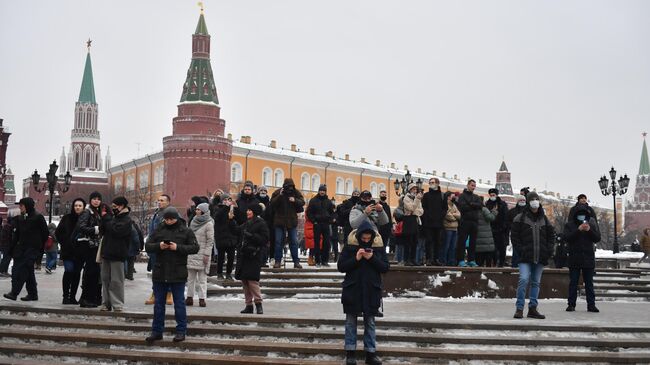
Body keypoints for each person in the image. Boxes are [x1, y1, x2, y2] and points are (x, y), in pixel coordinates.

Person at [145, 206, 199, 344]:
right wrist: (159, 246)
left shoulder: (186, 231)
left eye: (171, 219)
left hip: (178, 272)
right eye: (167, 219)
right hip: (160, 271)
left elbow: (194, 248)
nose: (169, 221)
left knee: (179, 304)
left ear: (177, 218)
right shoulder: (159, 229)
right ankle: (157, 331)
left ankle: (181, 331)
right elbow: (148, 246)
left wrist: (178, 248)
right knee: (158, 304)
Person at [338, 220, 389, 365]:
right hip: (352, 289)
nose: (366, 241)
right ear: (359, 236)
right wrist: (356, 258)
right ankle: (350, 352)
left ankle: (370, 353)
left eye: (368, 238)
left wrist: (371, 258)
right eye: (363, 238)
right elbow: (341, 266)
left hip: (371, 290)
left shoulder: (378, 248)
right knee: (350, 322)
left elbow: (385, 267)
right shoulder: (350, 247)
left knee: (370, 322)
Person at [511, 192, 555, 319]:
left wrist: (549, 250)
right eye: (532, 199)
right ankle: (519, 308)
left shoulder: (544, 219)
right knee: (523, 279)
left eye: (537, 199)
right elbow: (514, 237)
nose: (535, 201)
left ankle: (532, 308)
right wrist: (521, 250)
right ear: (528, 202)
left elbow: (551, 236)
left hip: (540, 256)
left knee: (536, 282)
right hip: (525, 256)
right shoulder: (520, 218)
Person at [3, 198, 48, 301]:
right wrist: (12, 248)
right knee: (28, 271)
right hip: (21, 249)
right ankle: (33, 294)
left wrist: (39, 247)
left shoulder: (38, 217)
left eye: (21, 206)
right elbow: (17, 235)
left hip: (33, 249)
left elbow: (45, 233)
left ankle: (14, 293)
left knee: (23, 269)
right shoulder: (21, 218)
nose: (20, 207)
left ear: (27, 206)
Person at [564, 204, 601, 313]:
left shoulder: (591, 224)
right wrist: (578, 230)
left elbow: (597, 238)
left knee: (589, 283)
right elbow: (567, 238)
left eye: (584, 215)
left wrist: (589, 230)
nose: (582, 216)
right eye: (580, 214)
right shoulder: (570, 225)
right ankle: (571, 304)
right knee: (573, 282)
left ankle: (591, 305)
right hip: (574, 258)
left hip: (588, 258)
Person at [99, 197, 133, 312]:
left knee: (116, 280)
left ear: (122, 206)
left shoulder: (127, 220)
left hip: (118, 254)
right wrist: (103, 220)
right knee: (105, 279)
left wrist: (108, 220)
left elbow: (117, 231)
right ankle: (106, 303)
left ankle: (117, 304)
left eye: (115, 206)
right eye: (112, 207)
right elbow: (103, 231)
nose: (114, 209)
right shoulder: (113, 218)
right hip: (106, 252)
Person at [236, 203, 269, 314]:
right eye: (247, 210)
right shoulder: (246, 224)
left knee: (252, 281)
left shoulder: (261, 223)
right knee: (245, 281)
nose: (247, 212)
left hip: (254, 255)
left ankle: (258, 304)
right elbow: (236, 231)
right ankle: (248, 305)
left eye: (250, 210)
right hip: (244, 255)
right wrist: (230, 219)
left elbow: (265, 239)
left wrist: (252, 236)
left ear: (254, 211)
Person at [76, 191, 104, 308]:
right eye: (94, 199)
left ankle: (92, 298)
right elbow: (80, 227)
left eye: (98, 199)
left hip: (95, 246)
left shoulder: (97, 212)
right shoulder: (87, 212)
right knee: (90, 272)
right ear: (90, 200)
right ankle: (85, 299)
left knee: (94, 273)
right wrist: (95, 229)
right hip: (89, 246)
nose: (96, 201)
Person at [55, 198, 86, 304]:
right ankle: (65, 296)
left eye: (80, 206)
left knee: (77, 274)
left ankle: (72, 296)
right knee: (68, 271)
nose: (77, 207)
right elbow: (58, 233)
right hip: (68, 251)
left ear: (83, 207)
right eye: (76, 205)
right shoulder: (66, 218)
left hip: (80, 251)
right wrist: (64, 242)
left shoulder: (86, 219)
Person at [270, 178, 305, 269]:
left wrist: (295, 200)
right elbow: (272, 203)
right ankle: (277, 261)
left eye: (291, 186)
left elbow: (302, 202)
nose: (289, 188)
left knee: (294, 241)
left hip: (292, 221)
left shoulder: (295, 192)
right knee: (278, 242)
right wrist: (280, 196)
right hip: (279, 221)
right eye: (287, 186)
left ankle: (296, 262)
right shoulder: (278, 192)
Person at [145, 194, 173, 305]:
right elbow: (152, 231)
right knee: (156, 272)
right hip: (155, 247)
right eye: (158, 200)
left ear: (168, 202)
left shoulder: (172, 213)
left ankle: (169, 294)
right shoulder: (156, 213)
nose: (159, 202)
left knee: (167, 272)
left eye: (162, 200)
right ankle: (155, 293)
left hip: (166, 247)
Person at [186, 203, 214, 307]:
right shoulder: (193, 221)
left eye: (198, 209)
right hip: (192, 253)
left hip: (203, 255)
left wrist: (207, 254)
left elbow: (210, 240)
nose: (196, 211)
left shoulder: (209, 223)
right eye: (196, 209)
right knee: (190, 279)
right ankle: (189, 298)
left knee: (202, 279)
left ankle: (202, 299)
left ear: (203, 211)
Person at [307, 184, 335, 266]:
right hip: (317, 224)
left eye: (323, 190)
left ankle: (325, 261)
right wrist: (314, 221)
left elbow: (332, 212)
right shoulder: (313, 200)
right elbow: (309, 212)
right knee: (317, 243)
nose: (322, 192)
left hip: (326, 224)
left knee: (326, 243)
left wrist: (331, 220)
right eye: (321, 190)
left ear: (325, 192)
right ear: (319, 191)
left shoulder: (328, 201)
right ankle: (317, 260)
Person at [456, 180, 482, 267]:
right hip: (465, 221)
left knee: (473, 242)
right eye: (472, 185)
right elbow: (462, 207)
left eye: (474, 186)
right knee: (462, 241)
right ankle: (461, 260)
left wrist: (471, 204)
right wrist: (474, 205)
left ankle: (471, 260)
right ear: (468, 185)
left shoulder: (476, 196)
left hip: (474, 222)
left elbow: (480, 205)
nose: (473, 187)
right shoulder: (462, 196)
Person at [421, 178, 447, 266]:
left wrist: (441, 216)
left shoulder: (442, 195)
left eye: (433, 182)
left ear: (437, 183)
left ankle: (436, 259)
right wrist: (427, 216)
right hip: (428, 222)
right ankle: (428, 259)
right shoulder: (426, 195)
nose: (431, 184)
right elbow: (423, 207)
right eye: (430, 182)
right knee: (428, 241)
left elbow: (445, 208)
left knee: (437, 242)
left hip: (439, 222)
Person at [213, 193, 238, 280]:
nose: (227, 201)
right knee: (221, 257)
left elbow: (236, 220)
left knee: (231, 257)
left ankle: (228, 274)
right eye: (225, 200)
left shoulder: (232, 209)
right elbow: (217, 217)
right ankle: (219, 273)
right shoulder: (218, 208)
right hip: (221, 236)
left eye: (229, 200)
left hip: (231, 237)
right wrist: (226, 207)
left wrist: (234, 208)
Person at [400, 184, 423, 266]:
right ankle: (406, 259)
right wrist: (416, 201)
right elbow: (411, 208)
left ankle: (413, 259)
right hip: (408, 221)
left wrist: (414, 211)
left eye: (416, 189)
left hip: (415, 220)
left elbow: (421, 211)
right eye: (413, 189)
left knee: (414, 241)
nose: (415, 191)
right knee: (408, 241)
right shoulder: (406, 198)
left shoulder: (417, 199)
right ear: (409, 190)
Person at [485, 188, 509, 267]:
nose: (492, 196)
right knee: (492, 249)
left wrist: (503, 227)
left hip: (501, 230)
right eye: (491, 195)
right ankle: (493, 263)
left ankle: (501, 264)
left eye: (493, 195)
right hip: (491, 230)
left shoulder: (502, 204)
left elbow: (505, 217)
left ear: (496, 195)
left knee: (502, 248)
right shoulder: (487, 204)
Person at [507, 194, 527, 268]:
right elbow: (507, 222)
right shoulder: (512, 211)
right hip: (515, 234)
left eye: (523, 200)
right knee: (516, 251)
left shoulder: (528, 211)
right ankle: (514, 266)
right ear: (517, 201)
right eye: (521, 200)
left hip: (526, 234)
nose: (522, 201)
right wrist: (512, 227)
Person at [475, 199, 496, 267]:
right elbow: (490, 218)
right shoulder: (484, 209)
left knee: (479, 259)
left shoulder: (474, 210)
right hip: (486, 236)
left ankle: (478, 273)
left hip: (477, 235)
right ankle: (488, 272)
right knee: (488, 258)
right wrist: (494, 211)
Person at [441, 192, 460, 266]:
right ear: (448, 197)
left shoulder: (454, 205)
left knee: (453, 247)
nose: (454, 197)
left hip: (455, 228)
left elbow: (459, 215)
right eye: (453, 196)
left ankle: (451, 262)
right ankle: (444, 261)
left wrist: (454, 215)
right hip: (447, 228)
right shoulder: (445, 205)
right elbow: (448, 216)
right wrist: (455, 217)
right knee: (446, 246)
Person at [256, 185, 272, 266]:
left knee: (265, 244)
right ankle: (256, 260)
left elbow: (270, 214)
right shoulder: (255, 200)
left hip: (266, 225)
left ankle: (264, 260)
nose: (263, 192)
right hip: (256, 225)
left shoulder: (269, 202)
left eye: (264, 191)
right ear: (258, 191)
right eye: (261, 190)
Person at [377, 190, 393, 255]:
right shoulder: (377, 205)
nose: (384, 196)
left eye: (385, 195)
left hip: (387, 228)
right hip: (379, 227)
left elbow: (389, 217)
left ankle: (383, 255)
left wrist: (391, 226)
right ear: (380, 195)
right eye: (382, 195)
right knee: (379, 243)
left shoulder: (387, 206)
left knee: (385, 243)